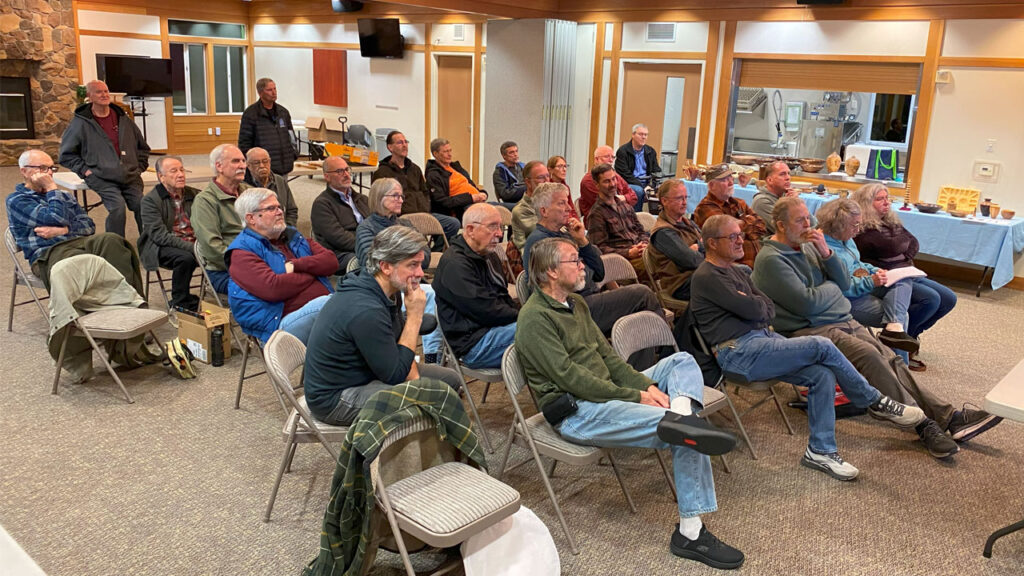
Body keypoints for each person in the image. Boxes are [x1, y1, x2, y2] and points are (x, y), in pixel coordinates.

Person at [516, 236, 743, 571]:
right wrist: (636, 395)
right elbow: (571, 379)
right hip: (578, 411)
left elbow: (609, 359)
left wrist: (647, 385)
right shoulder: (535, 319)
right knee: (685, 434)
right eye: (574, 260)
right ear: (551, 272)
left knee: (680, 362)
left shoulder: (575, 304)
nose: (583, 265)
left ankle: (680, 416)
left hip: (605, 395)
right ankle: (690, 534)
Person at [751, 197, 1001, 458]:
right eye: (799, 220)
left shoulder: (810, 245)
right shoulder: (772, 259)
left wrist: (826, 253)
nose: (808, 224)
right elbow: (809, 304)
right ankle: (922, 424)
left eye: (808, 217)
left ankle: (948, 417)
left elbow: (845, 282)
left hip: (838, 319)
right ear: (780, 225)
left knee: (890, 357)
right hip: (807, 329)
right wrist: (835, 288)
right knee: (871, 358)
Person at [692, 214, 925, 480]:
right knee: (821, 345)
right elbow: (755, 308)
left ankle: (820, 451)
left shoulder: (737, 271)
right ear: (711, 243)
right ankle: (874, 400)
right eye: (731, 237)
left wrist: (754, 305)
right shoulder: (707, 276)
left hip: (762, 342)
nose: (739, 241)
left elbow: (766, 309)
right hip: (737, 353)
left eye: (740, 235)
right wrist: (754, 305)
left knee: (820, 374)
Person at [303, 226, 463, 426]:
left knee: (450, 380)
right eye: (412, 265)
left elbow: (396, 345)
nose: (421, 273)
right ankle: (415, 453)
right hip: (336, 398)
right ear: (386, 266)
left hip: (369, 372)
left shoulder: (385, 287)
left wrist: (412, 376)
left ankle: (434, 443)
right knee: (428, 398)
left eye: (421, 264)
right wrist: (414, 317)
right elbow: (396, 374)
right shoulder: (366, 309)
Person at [522, 183, 662, 334]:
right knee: (642, 294)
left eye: (567, 202)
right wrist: (587, 271)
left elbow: (600, 273)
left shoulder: (566, 235)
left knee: (636, 320)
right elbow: (568, 286)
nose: (569, 208)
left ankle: (651, 350)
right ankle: (666, 350)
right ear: (544, 211)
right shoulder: (540, 242)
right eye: (562, 203)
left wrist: (583, 241)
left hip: (587, 299)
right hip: (572, 309)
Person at [851, 183, 956, 372]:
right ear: (866, 203)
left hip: (907, 271)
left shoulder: (890, 221)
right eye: (880, 199)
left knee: (949, 298)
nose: (886, 203)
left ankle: (909, 338)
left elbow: (913, 243)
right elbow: (886, 248)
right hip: (888, 277)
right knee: (931, 299)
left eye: (887, 198)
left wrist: (903, 256)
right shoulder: (861, 228)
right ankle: (898, 343)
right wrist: (899, 252)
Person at [7, 149, 143, 295]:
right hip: (47, 255)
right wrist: (52, 188)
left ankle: (133, 301)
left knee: (113, 241)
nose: (50, 173)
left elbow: (89, 226)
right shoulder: (17, 200)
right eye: (42, 168)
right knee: (89, 263)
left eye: (52, 168)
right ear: (24, 171)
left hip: (76, 245)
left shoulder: (63, 196)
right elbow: (56, 218)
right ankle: (111, 304)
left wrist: (64, 230)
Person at [226, 189, 336, 345]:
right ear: (251, 218)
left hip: (314, 313)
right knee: (334, 305)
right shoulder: (241, 252)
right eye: (271, 209)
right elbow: (273, 288)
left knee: (358, 300)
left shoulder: (292, 236)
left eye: (279, 207)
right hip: (278, 325)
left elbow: (331, 262)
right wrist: (314, 272)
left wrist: (296, 265)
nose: (279, 212)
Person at [355, 178, 444, 363]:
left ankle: (432, 355)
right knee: (431, 294)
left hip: (408, 283)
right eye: (395, 196)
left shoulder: (405, 224)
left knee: (436, 294)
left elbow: (424, 257)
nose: (401, 200)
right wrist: (408, 259)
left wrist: (405, 261)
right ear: (379, 198)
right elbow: (371, 263)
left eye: (401, 196)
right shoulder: (366, 228)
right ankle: (432, 357)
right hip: (386, 291)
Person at [818, 198, 919, 354]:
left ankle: (893, 331)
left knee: (903, 279)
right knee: (901, 315)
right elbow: (842, 287)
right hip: (846, 298)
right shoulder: (826, 250)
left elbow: (858, 264)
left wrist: (875, 271)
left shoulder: (846, 239)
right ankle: (899, 364)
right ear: (839, 226)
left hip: (863, 284)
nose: (858, 230)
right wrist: (871, 282)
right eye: (855, 225)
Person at [432, 204, 519, 369]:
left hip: (496, 330)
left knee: (547, 327)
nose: (500, 234)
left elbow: (502, 298)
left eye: (500, 227)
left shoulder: (488, 255)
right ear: (470, 229)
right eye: (493, 226)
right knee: (540, 330)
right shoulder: (455, 265)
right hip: (474, 344)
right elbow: (486, 310)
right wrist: (524, 317)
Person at [58, 80, 150, 237]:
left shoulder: (123, 119)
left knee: (144, 205)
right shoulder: (81, 123)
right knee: (117, 208)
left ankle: (150, 247)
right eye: (99, 92)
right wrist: (85, 171)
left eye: (106, 91)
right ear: (89, 96)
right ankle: (115, 248)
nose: (104, 95)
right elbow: (66, 155)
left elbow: (143, 147)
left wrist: (138, 167)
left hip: (130, 176)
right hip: (101, 177)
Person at [372, 130, 460, 240]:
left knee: (453, 223)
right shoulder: (382, 172)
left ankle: (435, 251)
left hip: (423, 213)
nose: (404, 145)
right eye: (400, 143)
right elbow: (380, 200)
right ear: (390, 147)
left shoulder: (415, 169)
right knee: (412, 235)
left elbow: (425, 192)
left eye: (406, 142)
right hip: (401, 218)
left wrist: (425, 208)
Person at [138, 156, 200, 311]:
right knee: (186, 258)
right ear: (161, 176)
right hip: (160, 245)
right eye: (174, 171)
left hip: (194, 240)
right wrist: (192, 247)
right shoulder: (150, 201)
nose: (180, 174)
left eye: (182, 169)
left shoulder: (195, 195)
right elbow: (159, 236)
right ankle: (180, 300)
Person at [193, 144, 248, 294]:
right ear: (219, 166)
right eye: (236, 161)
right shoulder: (205, 201)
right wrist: (248, 263)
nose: (243, 166)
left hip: (257, 261)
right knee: (267, 287)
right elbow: (213, 248)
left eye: (243, 161)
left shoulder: (249, 192)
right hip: (224, 270)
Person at [693, 163, 767, 269]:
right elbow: (727, 235)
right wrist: (749, 226)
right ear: (711, 185)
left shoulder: (739, 203)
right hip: (732, 268)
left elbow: (761, 226)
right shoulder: (705, 208)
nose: (731, 182)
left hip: (755, 265)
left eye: (731, 177)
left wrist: (741, 229)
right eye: (724, 180)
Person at [586, 163, 650, 277]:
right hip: (623, 262)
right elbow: (599, 248)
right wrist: (629, 253)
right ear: (597, 185)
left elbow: (640, 230)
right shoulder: (596, 214)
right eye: (606, 181)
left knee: (668, 256)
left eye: (614, 179)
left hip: (641, 252)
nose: (612, 184)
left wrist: (644, 244)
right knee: (665, 263)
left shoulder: (625, 206)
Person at [647, 179, 704, 301]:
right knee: (727, 281)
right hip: (680, 284)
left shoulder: (687, 222)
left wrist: (697, 247)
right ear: (664, 201)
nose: (684, 203)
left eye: (685, 197)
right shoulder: (663, 232)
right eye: (679, 198)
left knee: (742, 271)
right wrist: (703, 248)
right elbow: (691, 260)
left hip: (700, 274)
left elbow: (711, 244)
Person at [311, 156, 370, 272]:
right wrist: (369, 246)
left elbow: (375, 221)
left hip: (366, 245)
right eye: (339, 171)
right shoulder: (322, 205)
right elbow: (339, 238)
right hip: (340, 253)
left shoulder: (362, 199)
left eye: (347, 170)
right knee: (374, 260)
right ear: (327, 176)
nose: (346, 174)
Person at [238, 77, 296, 176]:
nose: (274, 92)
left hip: (284, 166)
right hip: (262, 168)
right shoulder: (251, 114)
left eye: (275, 89)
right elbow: (244, 144)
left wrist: (294, 155)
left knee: (282, 191)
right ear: (260, 93)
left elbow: (291, 137)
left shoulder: (283, 112)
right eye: (269, 90)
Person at [425, 138, 488, 221]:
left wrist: (483, 193)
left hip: (477, 201)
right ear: (435, 154)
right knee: (487, 216)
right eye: (445, 152)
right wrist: (470, 198)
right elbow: (443, 202)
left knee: (500, 209)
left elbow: (471, 185)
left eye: (450, 150)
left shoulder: (456, 167)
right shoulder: (433, 175)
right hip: (460, 208)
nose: (450, 154)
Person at [751, 161, 816, 233]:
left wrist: (797, 202)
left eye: (788, 173)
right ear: (769, 180)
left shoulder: (787, 197)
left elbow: (814, 224)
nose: (788, 177)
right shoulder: (762, 202)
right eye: (782, 174)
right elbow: (787, 231)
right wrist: (792, 204)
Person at [580, 145, 637, 224]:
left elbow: (634, 197)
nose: (611, 160)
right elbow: (608, 205)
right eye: (607, 156)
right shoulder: (589, 180)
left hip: (621, 220)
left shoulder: (615, 175)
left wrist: (623, 197)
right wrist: (624, 199)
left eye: (613, 157)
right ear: (596, 159)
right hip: (600, 223)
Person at [244, 147, 298, 227]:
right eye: (256, 163)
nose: (262, 166)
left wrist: (287, 229)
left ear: (270, 162)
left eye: (265, 161)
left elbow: (292, 210)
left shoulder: (279, 181)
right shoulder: (243, 186)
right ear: (248, 166)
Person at [614, 123, 661, 211]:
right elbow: (625, 175)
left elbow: (657, 171)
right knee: (638, 191)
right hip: (629, 183)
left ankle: (656, 219)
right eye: (641, 134)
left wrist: (651, 185)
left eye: (646, 135)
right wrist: (643, 188)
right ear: (633, 135)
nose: (643, 137)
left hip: (647, 184)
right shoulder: (623, 151)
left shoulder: (650, 151)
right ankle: (637, 217)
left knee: (667, 189)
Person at [509, 160, 549, 252]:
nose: (547, 181)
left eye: (547, 176)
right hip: (531, 256)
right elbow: (543, 234)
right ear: (528, 182)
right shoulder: (521, 210)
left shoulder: (549, 202)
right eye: (541, 177)